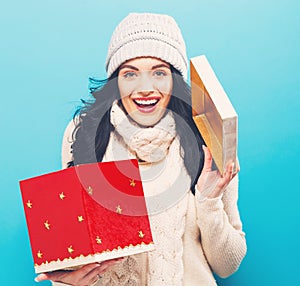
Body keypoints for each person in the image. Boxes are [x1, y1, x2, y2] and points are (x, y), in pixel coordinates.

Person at [35, 12, 246, 286]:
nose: (145, 88)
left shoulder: (206, 139)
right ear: (116, 81)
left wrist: (208, 201)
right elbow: (71, 252)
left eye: (159, 72)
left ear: (175, 80)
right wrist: (67, 281)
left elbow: (227, 265)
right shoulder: (86, 133)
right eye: (130, 73)